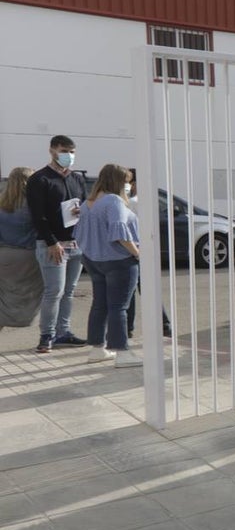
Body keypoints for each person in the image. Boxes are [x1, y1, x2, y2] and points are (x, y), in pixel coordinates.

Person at [73, 164, 142, 368]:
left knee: (100, 304)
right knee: (119, 307)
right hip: (118, 261)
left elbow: (79, 233)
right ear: (118, 181)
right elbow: (119, 233)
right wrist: (137, 254)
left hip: (93, 260)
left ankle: (97, 349)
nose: (128, 185)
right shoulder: (114, 201)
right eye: (127, 181)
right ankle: (122, 352)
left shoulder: (89, 203)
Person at [26, 135, 89, 352]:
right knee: (54, 291)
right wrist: (52, 242)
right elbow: (38, 216)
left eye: (72, 152)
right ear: (52, 150)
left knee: (69, 291)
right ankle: (47, 336)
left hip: (75, 243)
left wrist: (82, 211)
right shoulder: (39, 180)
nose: (68, 156)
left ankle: (64, 332)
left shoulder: (77, 179)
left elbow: (85, 204)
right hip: (52, 245)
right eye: (64, 151)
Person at [123, 169, 172, 339]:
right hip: (146, 249)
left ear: (134, 184)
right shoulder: (148, 201)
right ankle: (165, 325)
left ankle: (128, 328)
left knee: (129, 292)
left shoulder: (131, 202)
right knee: (149, 290)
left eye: (128, 182)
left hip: (132, 251)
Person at [0, 167, 46, 331]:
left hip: (5, 256)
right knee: (38, 296)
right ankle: (47, 335)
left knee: (4, 299)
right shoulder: (34, 206)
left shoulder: (2, 204)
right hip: (30, 256)